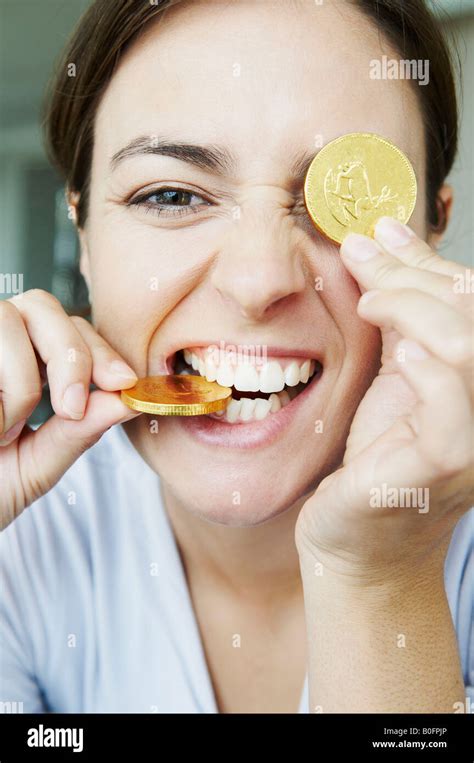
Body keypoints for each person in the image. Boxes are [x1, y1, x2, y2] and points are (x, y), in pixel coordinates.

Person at [0, 0, 472, 714]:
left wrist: (379, 577)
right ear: (85, 236)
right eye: (170, 194)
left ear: (430, 233)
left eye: (337, 202)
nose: (258, 281)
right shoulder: (22, 536)